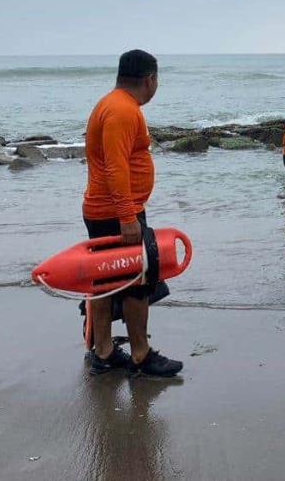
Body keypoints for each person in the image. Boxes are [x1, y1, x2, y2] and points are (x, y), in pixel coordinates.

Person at [83, 49, 183, 378]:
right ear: (150, 79)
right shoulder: (124, 111)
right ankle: (140, 355)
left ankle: (104, 351)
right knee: (137, 283)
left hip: (106, 209)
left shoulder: (111, 104)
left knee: (105, 282)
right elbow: (116, 165)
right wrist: (127, 215)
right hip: (116, 212)